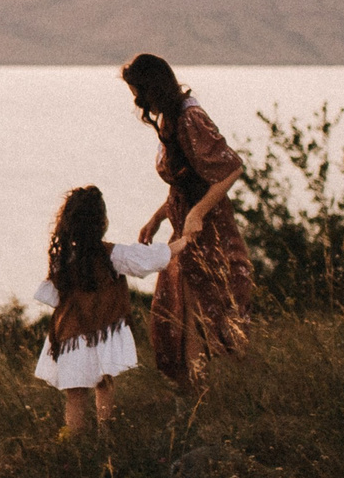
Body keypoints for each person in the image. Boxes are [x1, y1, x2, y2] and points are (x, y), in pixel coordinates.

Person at [123, 53, 255, 395]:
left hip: (207, 228)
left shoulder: (190, 117)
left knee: (210, 312)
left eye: (140, 90)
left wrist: (197, 214)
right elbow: (184, 182)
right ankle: (199, 397)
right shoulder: (169, 118)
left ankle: (221, 396)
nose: (138, 99)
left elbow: (231, 168)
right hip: (183, 226)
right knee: (180, 314)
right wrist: (158, 217)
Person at [31, 185, 171, 439]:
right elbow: (150, 260)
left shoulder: (62, 258)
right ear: (102, 222)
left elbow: (52, 297)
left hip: (69, 338)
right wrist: (182, 241)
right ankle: (105, 437)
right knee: (103, 383)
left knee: (75, 397)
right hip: (100, 334)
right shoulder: (111, 255)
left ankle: (75, 448)